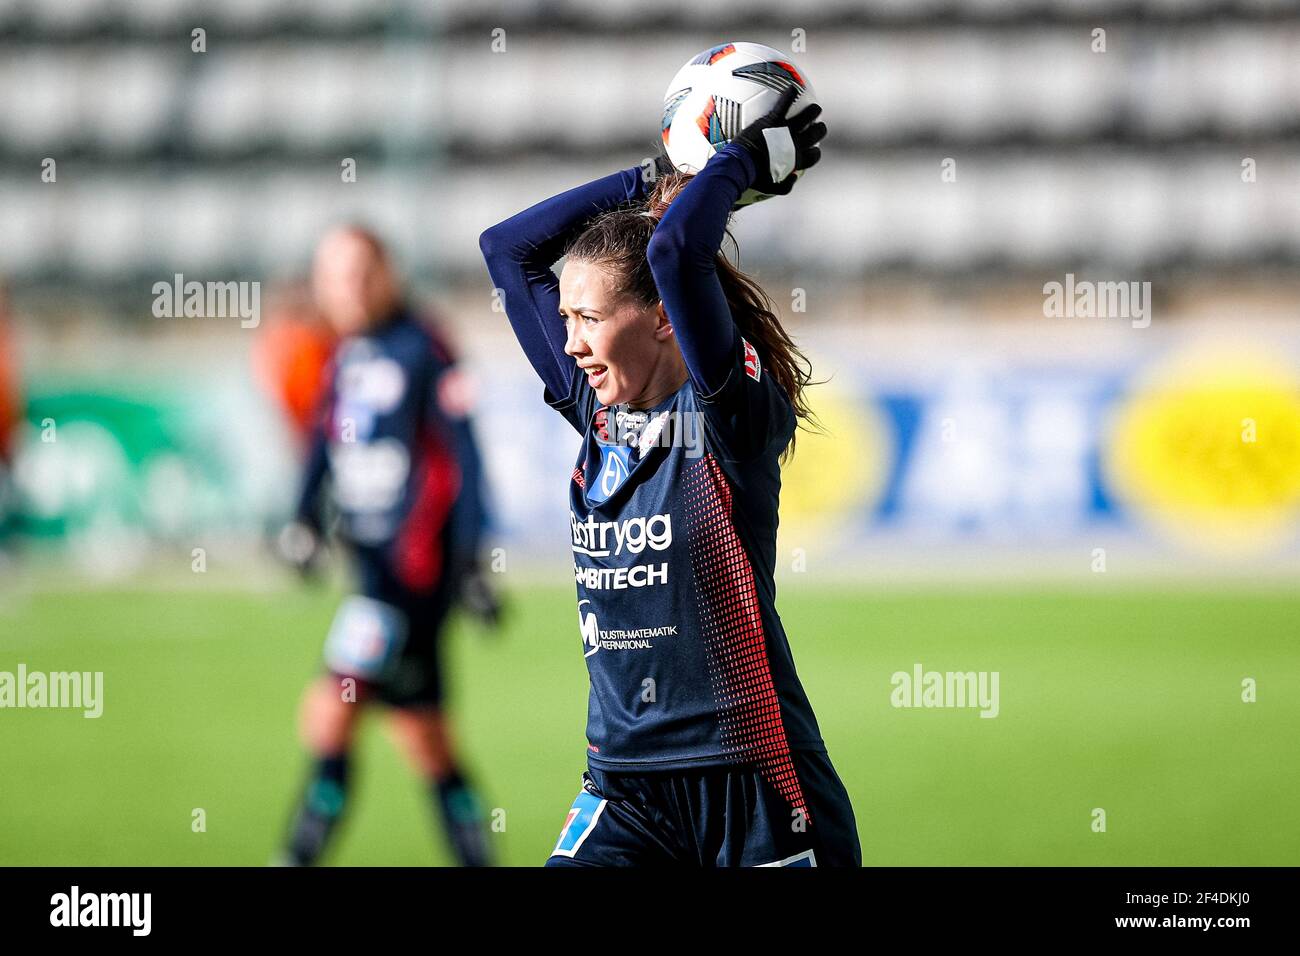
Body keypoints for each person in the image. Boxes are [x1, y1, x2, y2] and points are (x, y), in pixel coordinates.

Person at [479, 87, 860, 866]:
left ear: (661, 317)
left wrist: (739, 160)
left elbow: (675, 253)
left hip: (751, 782)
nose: (573, 343)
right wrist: (656, 172)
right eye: (567, 322)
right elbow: (505, 248)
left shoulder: (730, 415)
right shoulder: (599, 412)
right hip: (625, 790)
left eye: (590, 318)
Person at [277, 225, 500, 866]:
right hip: (373, 572)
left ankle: (293, 858)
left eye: (359, 271)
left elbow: (464, 460)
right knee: (425, 737)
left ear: (387, 272)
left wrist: (472, 562)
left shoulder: (423, 346)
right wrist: (304, 521)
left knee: (329, 713)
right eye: (333, 275)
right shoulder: (348, 352)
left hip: (409, 577)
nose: (346, 287)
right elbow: (324, 443)